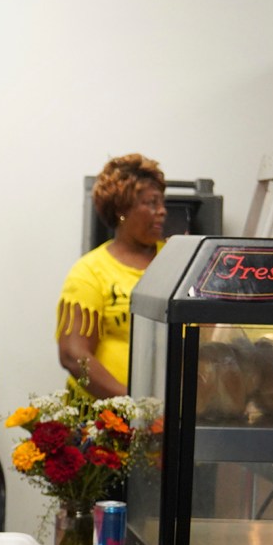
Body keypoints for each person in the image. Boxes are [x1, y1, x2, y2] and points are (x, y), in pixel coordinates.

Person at [57, 153, 167, 397]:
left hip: (166, 417)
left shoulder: (176, 261)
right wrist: (130, 403)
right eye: (151, 203)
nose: (162, 211)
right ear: (122, 210)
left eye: (162, 203)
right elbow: (73, 356)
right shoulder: (89, 272)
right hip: (104, 421)